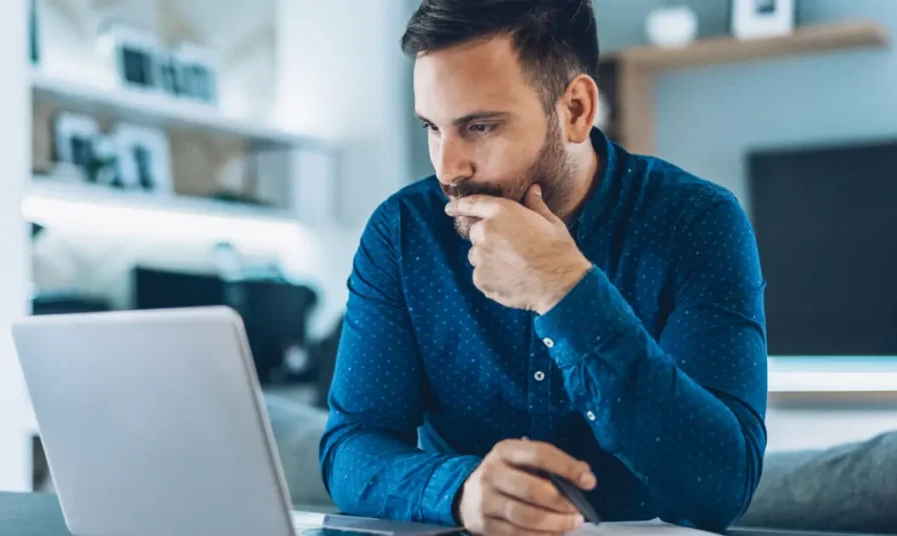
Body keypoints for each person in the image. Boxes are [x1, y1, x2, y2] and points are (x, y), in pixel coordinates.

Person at [319, 1, 767, 534]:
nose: (447, 168)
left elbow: (721, 487)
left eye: (480, 126)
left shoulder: (697, 224)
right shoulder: (402, 234)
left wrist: (566, 291)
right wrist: (459, 490)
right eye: (432, 128)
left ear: (576, 109)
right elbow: (351, 447)